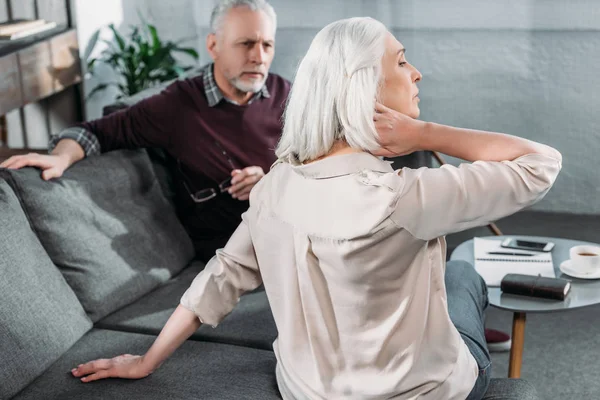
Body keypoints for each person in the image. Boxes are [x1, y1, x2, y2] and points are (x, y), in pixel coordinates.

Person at [67, 17, 561, 399]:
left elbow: (222, 275)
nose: (416, 73)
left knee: (451, 279)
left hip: (304, 389)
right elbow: (542, 163)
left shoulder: (276, 183)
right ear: (363, 83)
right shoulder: (408, 197)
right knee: (465, 275)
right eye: (402, 61)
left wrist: (148, 359)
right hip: (423, 391)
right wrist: (427, 134)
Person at [0, 0, 290, 263]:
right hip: (232, 251)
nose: (259, 57)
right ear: (213, 46)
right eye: (246, 44)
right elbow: (96, 133)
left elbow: (322, 168)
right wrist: (60, 158)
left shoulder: (288, 97)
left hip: (291, 228)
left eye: (267, 45)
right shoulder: (178, 106)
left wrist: (269, 184)